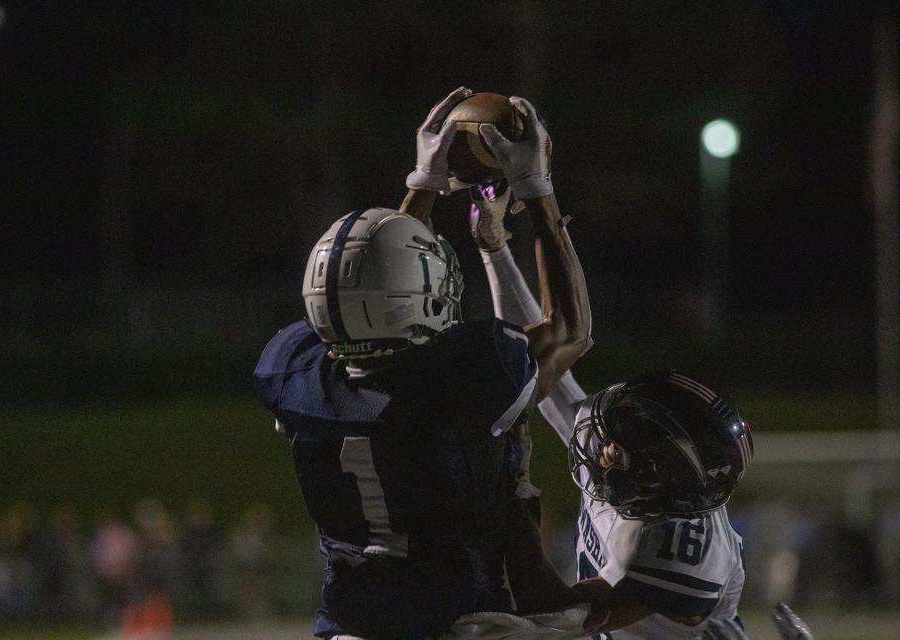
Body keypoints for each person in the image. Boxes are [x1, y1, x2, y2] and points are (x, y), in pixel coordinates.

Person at [252, 87, 592, 640]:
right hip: (460, 622)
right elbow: (569, 330)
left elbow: (368, 291)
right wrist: (537, 189)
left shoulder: (296, 380)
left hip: (349, 627)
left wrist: (420, 188)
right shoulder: (463, 384)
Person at [446, 183, 753, 639]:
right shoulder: (640, 472)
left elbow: (563, 612)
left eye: (624, 443)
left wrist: (511, 501)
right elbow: (531, 364)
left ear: (655, 478)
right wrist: (494, 250)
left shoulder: (686, 548)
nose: (603, 444)